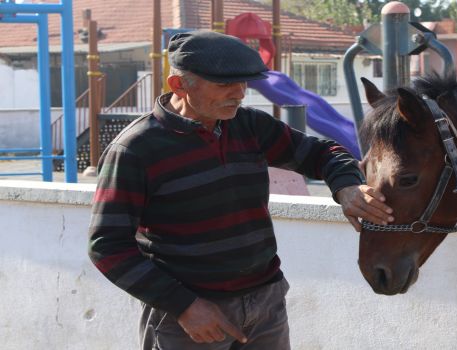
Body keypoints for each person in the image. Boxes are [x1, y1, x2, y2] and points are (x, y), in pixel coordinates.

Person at [88, 30, 394, 350]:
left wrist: (345, 187)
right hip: (190, 318)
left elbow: (323, 152)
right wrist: (183, 306)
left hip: (265, 305)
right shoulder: (135, 149)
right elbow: (107, 246)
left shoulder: (248, 125)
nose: (239, 94)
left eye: (243, 83)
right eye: (224, 85)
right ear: (179, 85)